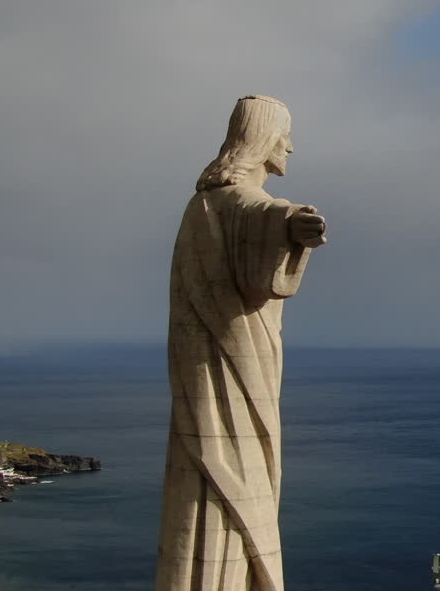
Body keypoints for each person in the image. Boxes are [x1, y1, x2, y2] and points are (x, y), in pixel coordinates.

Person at [156, 95, 326, 591]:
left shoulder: (202, 203)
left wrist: (286, 224)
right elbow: (261, 215)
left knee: (214, 469)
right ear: (262, 138)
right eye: (284, 134)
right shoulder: (231, 202)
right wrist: (294, 224)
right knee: (234, 470)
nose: (290, 146)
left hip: (212, 363)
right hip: (231, 366)